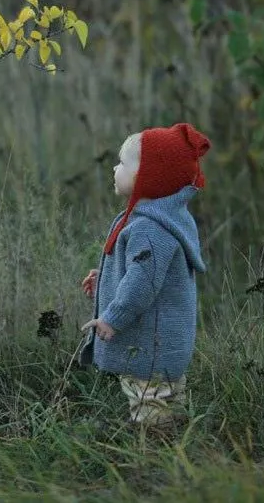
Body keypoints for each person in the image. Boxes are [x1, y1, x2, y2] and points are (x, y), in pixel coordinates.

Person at [78, 122, 210, 432]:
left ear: (148, 176)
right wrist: (106, 277)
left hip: (149, 343)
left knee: (148, 407)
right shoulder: (162, 219)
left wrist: (113, 317)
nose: (114, 168)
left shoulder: (149, 229)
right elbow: (144, 271)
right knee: (168, 400)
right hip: (164, 342)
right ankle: (178, 448)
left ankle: (154, 461)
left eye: (122, 163)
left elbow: (142, 282)